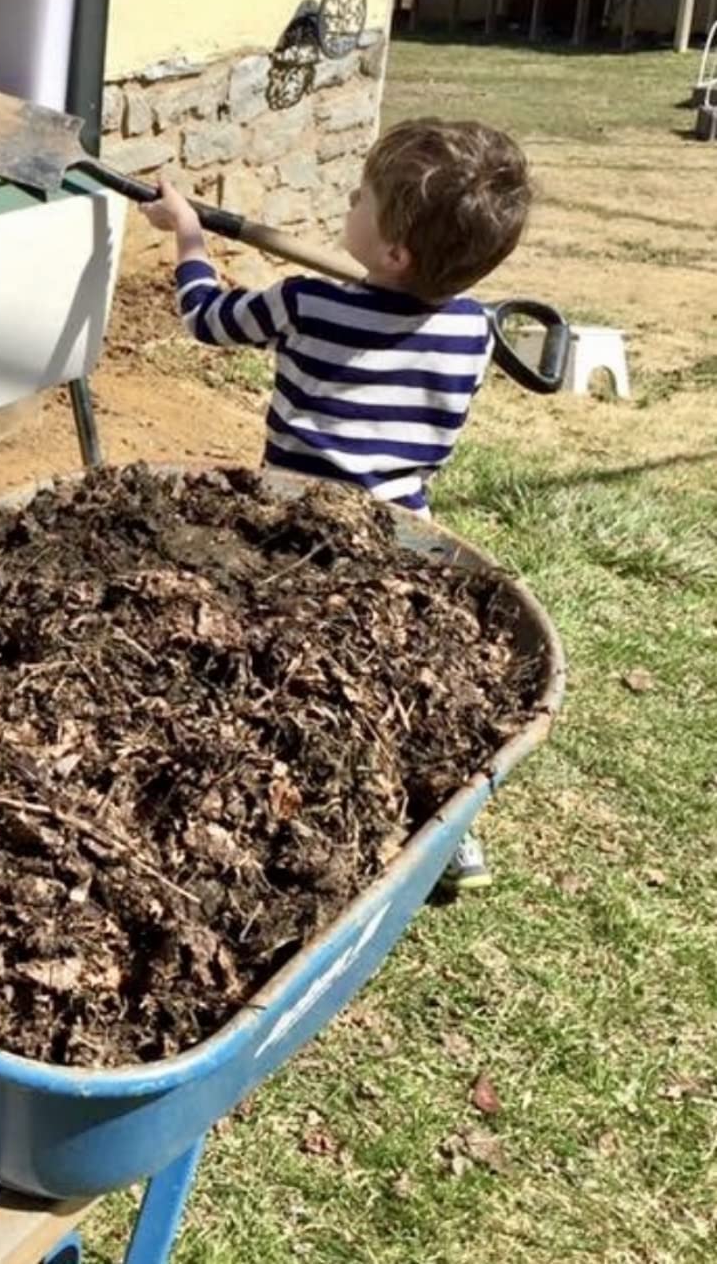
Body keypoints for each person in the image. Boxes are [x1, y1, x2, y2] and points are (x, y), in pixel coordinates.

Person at [140, 116, 533, 891]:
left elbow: (206, 318)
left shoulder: (306, 304)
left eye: (359, 197)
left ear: (392, 251)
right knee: (400, 683)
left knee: (281, 665)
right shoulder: (471, 330)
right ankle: (451, 834)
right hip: (402, 539)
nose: (346, 201)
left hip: (290, 526)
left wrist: (188, 236)